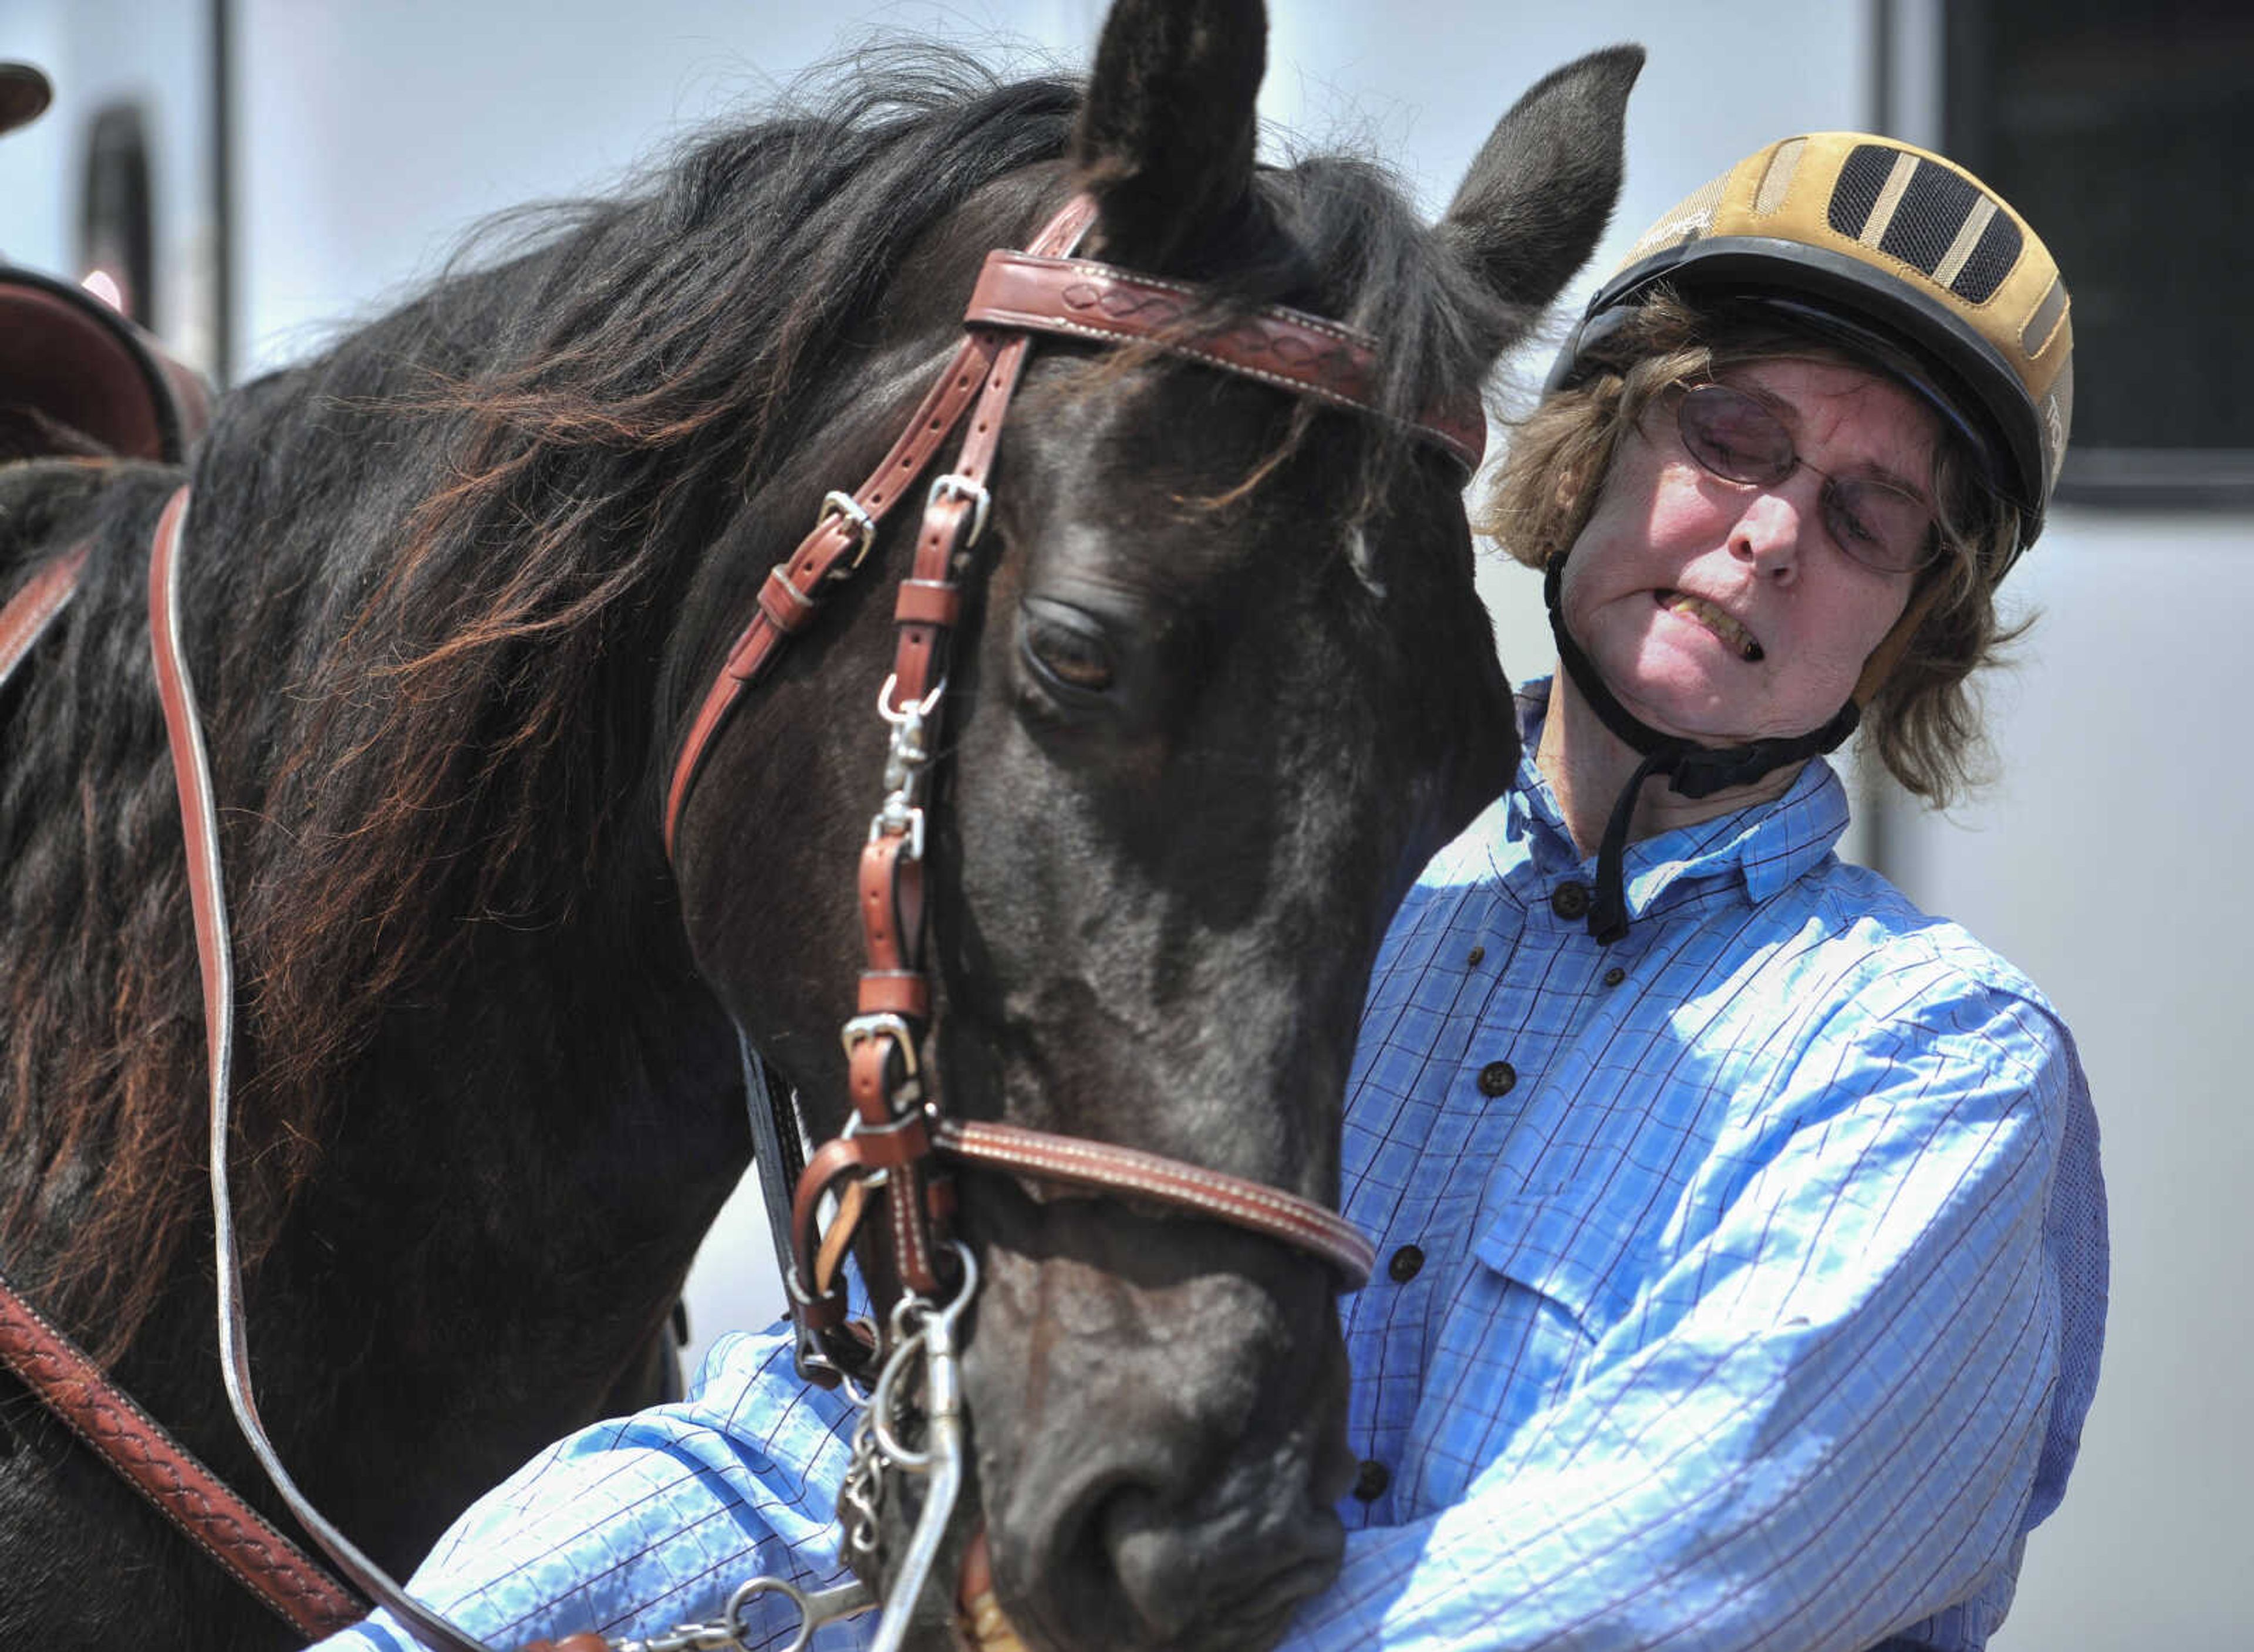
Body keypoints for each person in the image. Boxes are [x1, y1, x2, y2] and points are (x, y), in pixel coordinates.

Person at [320, 130, 2104, 1652]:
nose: (1776, 531)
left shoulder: (1936, 1073)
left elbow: (1624, 1596)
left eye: (1870, 515)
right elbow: (855, 1421)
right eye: (1735, 436)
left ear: (1914, 618)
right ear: (1603, 449)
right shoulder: (1286, 901)